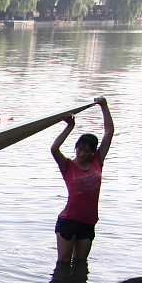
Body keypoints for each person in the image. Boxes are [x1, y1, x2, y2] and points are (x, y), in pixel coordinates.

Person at [49, 96, 113, 264]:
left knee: (80, 264)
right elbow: (54, 148)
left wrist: (103, 106)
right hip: (68, 220)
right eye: (80, 149)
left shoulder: (97, 161)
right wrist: (70, 127)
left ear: (93, 152)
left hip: (88, 221)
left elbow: (109, 131)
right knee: (63, 263)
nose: (82, 153)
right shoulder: (68, 165)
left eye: (86, 150)